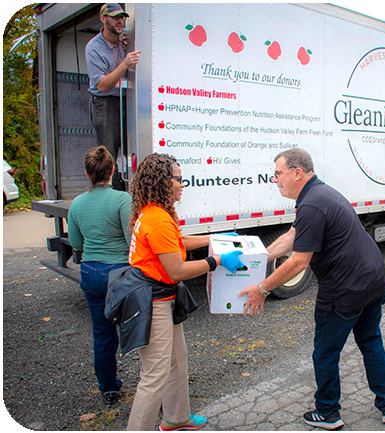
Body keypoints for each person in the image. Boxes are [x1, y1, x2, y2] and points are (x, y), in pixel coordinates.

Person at [238, 148, 385, 430]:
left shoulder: (312, 203)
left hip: (345, 290)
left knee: (324, 353)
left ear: (297, 172)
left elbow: (299, 261)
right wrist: (256, 257)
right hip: (372, 280)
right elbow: (292, 235)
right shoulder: (319, 194)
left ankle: (328, 412)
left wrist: (262, 288)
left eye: (278, 174)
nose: (275, 180)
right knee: (371, 342)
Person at [125, 153, 244, 431]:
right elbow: (177, 270)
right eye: (179, 179)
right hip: (152, 302)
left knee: (177, 360)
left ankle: (176, 418)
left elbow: (177, 243)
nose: (182, 184)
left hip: (160, 297)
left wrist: (214, 239)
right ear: (163, 182)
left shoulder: (156, 212)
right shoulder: (158, 220)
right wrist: (216, 261)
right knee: (154, 376)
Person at [68, 146, 132, 405]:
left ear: (87, 173)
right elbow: (132, 242)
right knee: (136, 329)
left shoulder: (77, 203)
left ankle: (108, 388)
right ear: (113, 170)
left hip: (90, 272)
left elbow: (75, 242)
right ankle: (153, 384)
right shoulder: (122, 200)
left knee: (102, 335)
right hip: (118, 273)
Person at [85, 3, 142, 190]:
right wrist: (125, 64)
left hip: (126, 100)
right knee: (107, 152)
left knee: (131, 148)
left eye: (122, 17)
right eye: (115, 17)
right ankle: (107, 194)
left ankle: (129, 190)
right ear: (103, 19)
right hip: (105, 102)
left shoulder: (124, 40)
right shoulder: (94, 48)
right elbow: (101, 85)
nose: (120, 21)